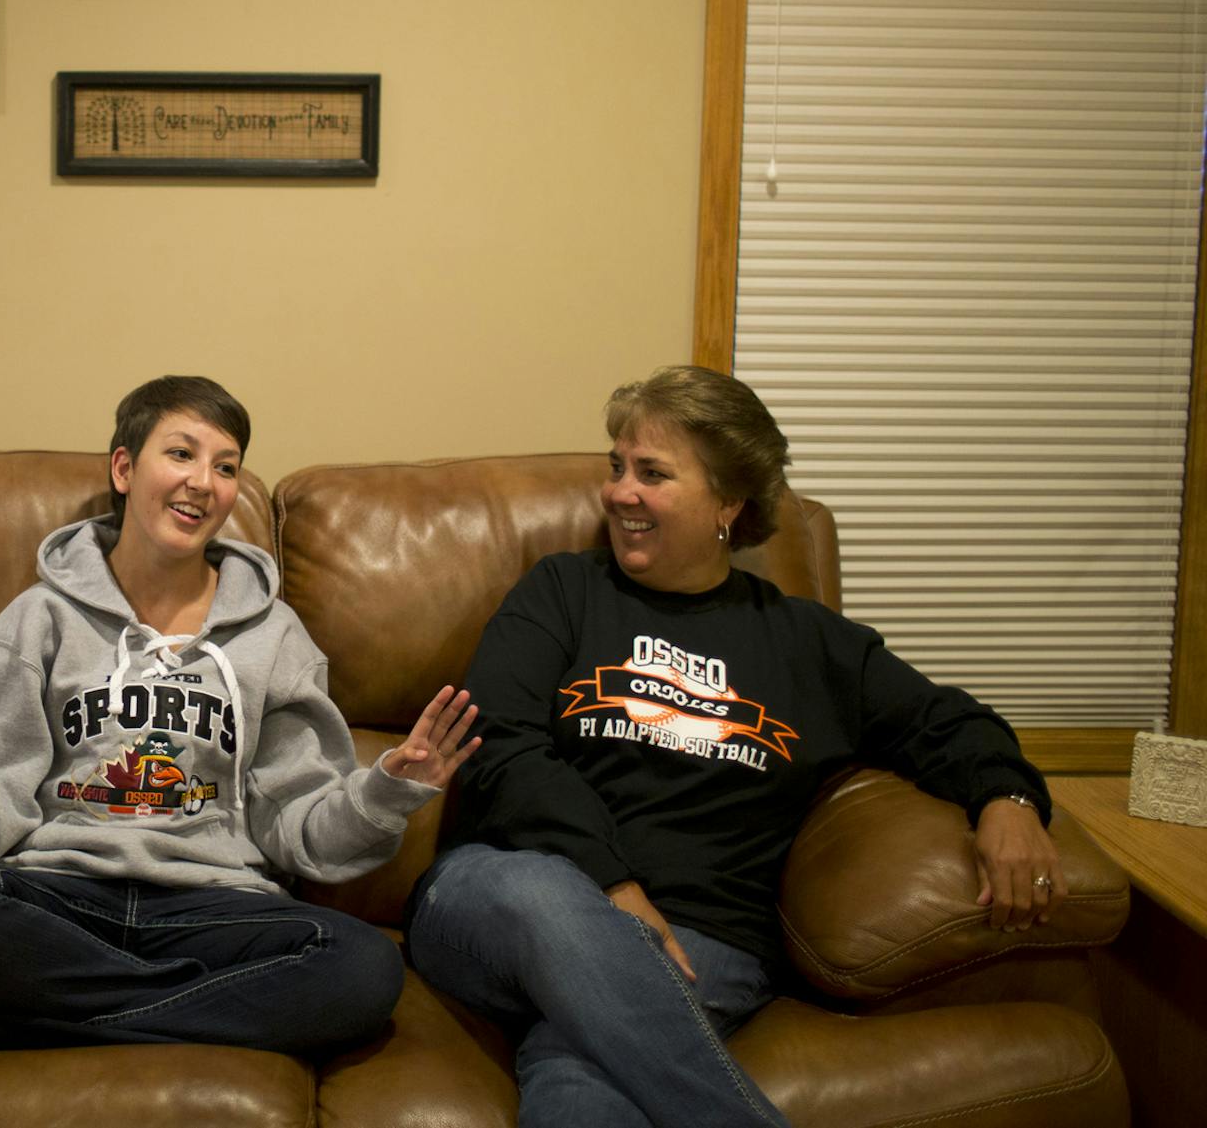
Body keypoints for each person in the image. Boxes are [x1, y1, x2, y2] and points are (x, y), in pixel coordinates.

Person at [406, 364, 1064, 1126]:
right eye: (617, 467)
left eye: (652, 473)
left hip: (703, 939)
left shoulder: (805, 643)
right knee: (543, 896)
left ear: (728, 501)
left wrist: (1009, 796)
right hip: (500, 900)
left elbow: (947, 719)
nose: (621, 492)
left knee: (578, 1075)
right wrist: (613, 888)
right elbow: (501, 742)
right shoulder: (563, 591)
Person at [0, 375, 480, 1054]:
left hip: (216, 906)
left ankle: (2, 1031)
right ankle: (192, 1015)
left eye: (225, 466)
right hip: (63, 895)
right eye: (181, 453)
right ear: (123, 467)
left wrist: (385, 790)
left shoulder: (275, 636)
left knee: (363, 967)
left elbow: (298, 827)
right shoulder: (39, 618)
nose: (204, 481)